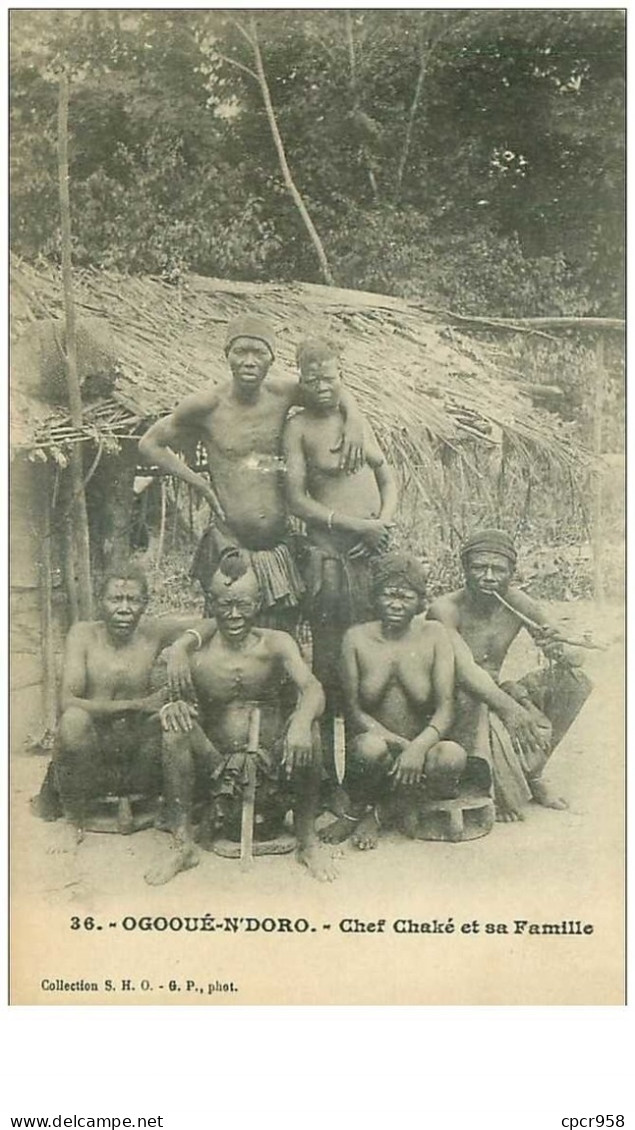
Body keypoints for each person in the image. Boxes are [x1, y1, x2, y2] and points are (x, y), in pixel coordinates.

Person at [138, 315, 366, 632]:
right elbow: (149, 443)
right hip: (231, 540)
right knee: (230, 632)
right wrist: (200, 483)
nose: (249, 361)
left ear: (272, 358)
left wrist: (353, 418)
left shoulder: (284, 393)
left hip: (278, 544)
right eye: (240, 352)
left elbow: (328, 387)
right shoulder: (206, 405)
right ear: (226, 354)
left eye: (258, 353)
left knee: (279, 636)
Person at [328, 551, 548, 849]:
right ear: (374, 597)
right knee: (367, 747)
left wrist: (419, 747)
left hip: (425, 747)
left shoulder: (434, 635)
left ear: (420, 601)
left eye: (405, 597)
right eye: (388, 595)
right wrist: (404, 748)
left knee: (451, 756)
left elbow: (445, 709)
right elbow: (354, 712)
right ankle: (356, 812)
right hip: (380, 746)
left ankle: (380, 815)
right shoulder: (355, 638)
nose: (395, 604)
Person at [145, 548, 336, 886]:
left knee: (311, 726)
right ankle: (182, 844)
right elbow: (165, 695)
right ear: (210, 602)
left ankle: (308, 841)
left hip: (275, 760)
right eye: (224, 605)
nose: (234, 615)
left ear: (259, 602)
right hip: (216, 764)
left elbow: (312, 688)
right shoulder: (197, 651)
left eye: (243, 605)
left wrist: (302, 724)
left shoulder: (276, 643)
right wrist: (174, 686)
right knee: (175, 729)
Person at [35, 564, 212, 840]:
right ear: (100, 602)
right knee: (73, 720)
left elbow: (211, 623)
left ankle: (177, 822)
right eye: (115, 599)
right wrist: (137, 705)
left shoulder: (153, 632)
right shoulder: (83, 635)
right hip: (93, 754)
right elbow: (68, 701)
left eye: (133, 600)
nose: (124, 608)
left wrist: (181, 645)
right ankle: (73, 822)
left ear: (145, 604)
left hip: (139, 753)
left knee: (176, 719)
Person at [427, 528, 593, 821]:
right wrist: (512, 709)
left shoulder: (518, 603)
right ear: (464, 569)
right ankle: (494, 789)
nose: (489, 576)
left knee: (574, 682)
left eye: (498, 569)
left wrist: (559, 645)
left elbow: (576, 658)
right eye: (479, 567)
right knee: (474, 696)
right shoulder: (445, 608)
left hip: (496, 691)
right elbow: (464, 672)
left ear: (512, 572)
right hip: (458, 697)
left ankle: (534, 774)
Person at [282, 335, 398, 724]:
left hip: (373, 552)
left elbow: (387, 475)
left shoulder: (357, 423)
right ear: (301, 380)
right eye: (312, 381)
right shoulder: (297, 428)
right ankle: (331, 748)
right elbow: (297, 500)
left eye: (329, 378)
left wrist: (382, 522)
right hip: (331, 556)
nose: (322, 387)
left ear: (340, 375)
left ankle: (374, 728)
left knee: (378, 640)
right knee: (330, 650)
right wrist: (356, 525)